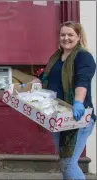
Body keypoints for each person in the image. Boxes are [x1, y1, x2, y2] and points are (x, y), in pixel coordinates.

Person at [32, 21, 96, 180]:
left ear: (78, 37)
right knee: (66, 162)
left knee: (68, 163)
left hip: (78, 117)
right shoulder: (56, 57)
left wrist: (79, 102)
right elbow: (44, 77)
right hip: (59, 116)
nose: (66, 38)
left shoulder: (83, 57)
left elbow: (83, 80)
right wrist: (28, 86)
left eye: (70, 35)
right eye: (63, 35)